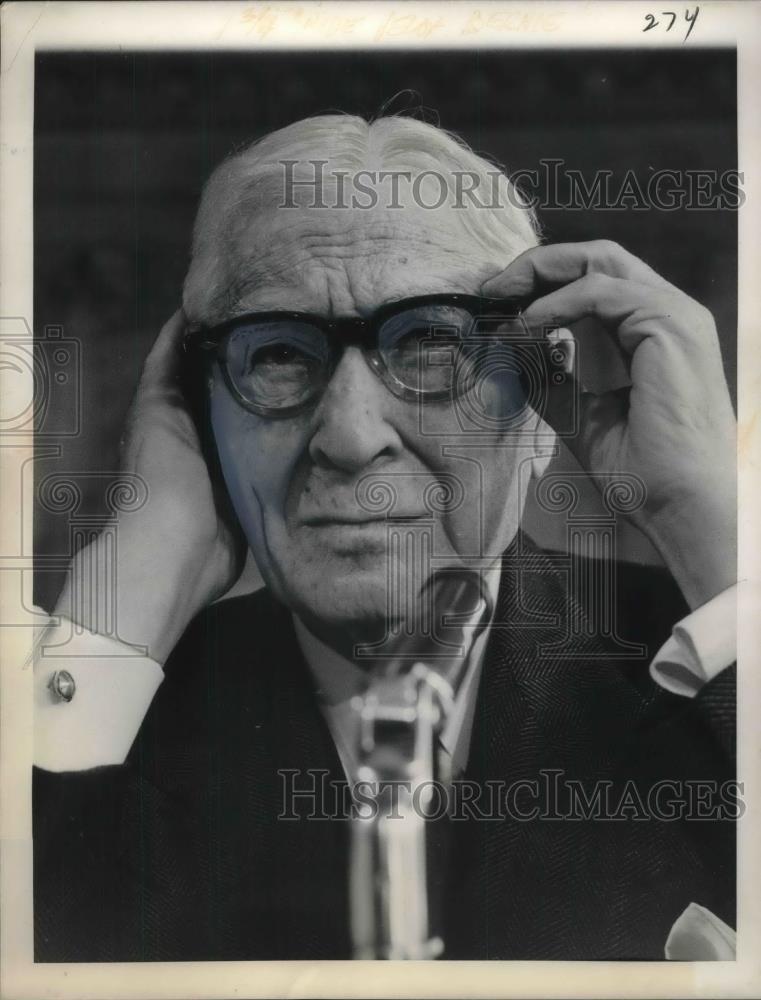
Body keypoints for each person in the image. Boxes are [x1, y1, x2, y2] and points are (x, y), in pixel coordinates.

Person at [32, 114, 738, 961]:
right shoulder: (107, 706)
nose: (351, 436)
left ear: (549, 394)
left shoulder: (715, 673)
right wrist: (132, 582)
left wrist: (711, 531)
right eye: (278, 354)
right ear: (198, 407)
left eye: (433, 343)